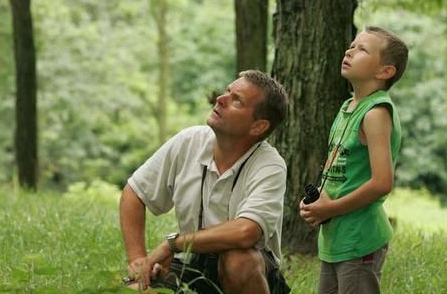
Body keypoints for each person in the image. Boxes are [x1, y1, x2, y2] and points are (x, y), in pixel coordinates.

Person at [120, 70, 291, 294]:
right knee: (133, 290)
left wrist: (174, 243)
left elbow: (245, 232)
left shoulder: (270, 165)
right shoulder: (189, 141)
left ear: (258, 127)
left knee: (238, 260)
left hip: (251, 271)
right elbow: (134, 192)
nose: (221, 99)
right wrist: (139, 261)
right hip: (189, 265)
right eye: (228, 91)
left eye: (236, 100)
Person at [300, 26, 409, 294]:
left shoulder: (375, 113)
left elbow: (382, 183)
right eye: (351, 46)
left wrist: (330, 209)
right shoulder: (347, 108)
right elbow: (336, 166)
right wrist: (317, 201)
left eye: (362, 49)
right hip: (335, 238)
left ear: (385, 71)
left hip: (360, 237)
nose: (349, 51)